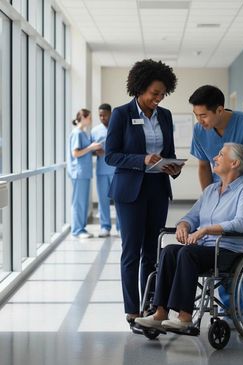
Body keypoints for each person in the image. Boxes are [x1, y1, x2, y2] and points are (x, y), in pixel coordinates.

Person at [135, 143, 243, 330]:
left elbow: (241, 223)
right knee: (169, 251)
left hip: (228, 250)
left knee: (187, 253)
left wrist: (206, 230)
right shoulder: (210, 190)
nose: (215, 158)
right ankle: (160, 313)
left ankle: (184, 317)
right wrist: (183, 226)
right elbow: (191, 217)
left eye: (220, 155)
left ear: (234, 163)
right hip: (205, 249)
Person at [105, 59, 183, 324]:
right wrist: (141, 160)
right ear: (139, 89)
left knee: (152, 250)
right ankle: (132, 309)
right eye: (154, 93)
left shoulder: (165, 115)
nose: (158, 99)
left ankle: (150, 304)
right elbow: (111, 156)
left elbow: (169, 152)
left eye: (162, 94)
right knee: (132, 251)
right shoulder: (121, 114)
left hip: (158, 188)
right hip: (130, 191)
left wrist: (173, 167)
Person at [188, 85, 243, 311]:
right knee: (217, 250)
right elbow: (204, 166)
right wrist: (211, 199)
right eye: (196, 115)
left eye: (203, 115)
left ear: (219, 110)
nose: (200, 121)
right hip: (220, 196)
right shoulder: (199, 131)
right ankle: (229, 309)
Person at [67, 109, 102, 239]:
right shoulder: (77, 133)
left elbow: (84, 151)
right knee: (78, 203)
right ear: (83, 117)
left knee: (82, 202)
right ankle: (77, 230)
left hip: (84, 173)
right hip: (78, 173)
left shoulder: (83, 133)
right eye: (90, 118)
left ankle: (81, 228)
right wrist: (91, 147)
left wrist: (93, 150)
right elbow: (75, 153)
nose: (91, 120)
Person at [91, 103, 120, 237]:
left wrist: (107, 151)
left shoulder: (118, 127)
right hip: (101, 171)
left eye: (105, 115)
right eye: (100, 115)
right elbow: (89, 151)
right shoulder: (95, 131)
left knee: (119, 200)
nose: (102, 118)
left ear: (111, 114)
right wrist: (96, 152)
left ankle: (121, 228)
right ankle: (105, 227)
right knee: (103, 200)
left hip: (116, 170)